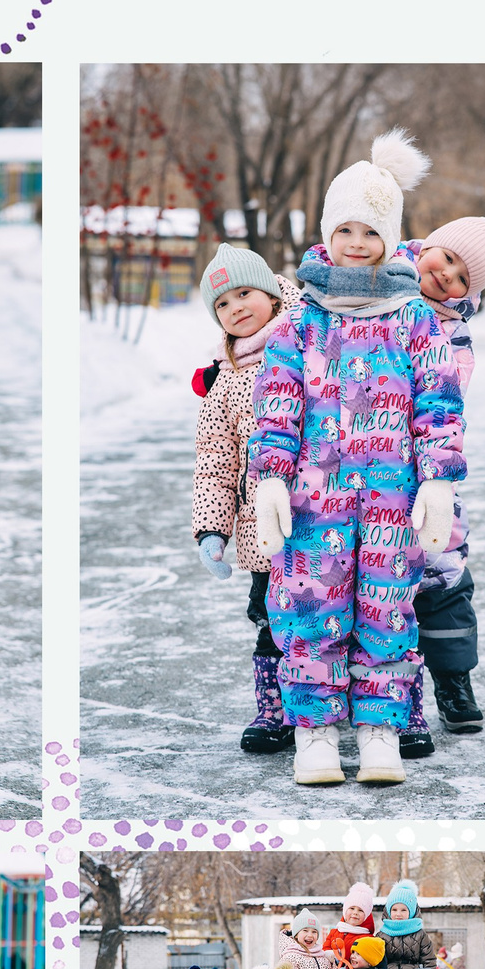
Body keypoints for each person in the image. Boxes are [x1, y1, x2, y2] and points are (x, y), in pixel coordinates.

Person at [251, 130, 464, 787]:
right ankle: (313, 732)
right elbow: (278, 403)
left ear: (390, 238)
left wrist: (438, 482)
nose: (356, 243)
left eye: (370, 231)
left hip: (390, 502)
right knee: (309, 608)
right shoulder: (300, 321)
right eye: (345, 229)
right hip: (315, 504)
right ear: (326, 233)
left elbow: (440, 403)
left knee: (387, 613)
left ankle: (378, 732)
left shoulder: (414, 320)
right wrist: (270, 481)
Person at [186, 244, 307, 754]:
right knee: (270, 621)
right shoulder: (225, 381)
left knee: (329, 615)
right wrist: (212, 527)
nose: (235, 307)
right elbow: (216, 459)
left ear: (273, 294)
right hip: (263, 531)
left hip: (324, 516)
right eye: (222, 304)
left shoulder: (310, 344)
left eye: (244, 293)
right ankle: (273, 709)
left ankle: (330, 701)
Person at [396, 216, 485, 735]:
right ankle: (373, 686)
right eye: (445, 258)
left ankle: (452, 677)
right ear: (427, 247)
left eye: (464, 277)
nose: (447, 275)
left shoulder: (453, 334)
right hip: (351, 464)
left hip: (426, 470)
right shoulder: (370, 285)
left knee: (441, 569)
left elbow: (449, 397)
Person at [372, 880, 444, 969]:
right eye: (394, 909)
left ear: (411, 912)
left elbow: (429, 960)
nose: (398, 914)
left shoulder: (420, 934)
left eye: (403, 910)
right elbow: (376, 960)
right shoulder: (382, 935)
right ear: (388, 911)